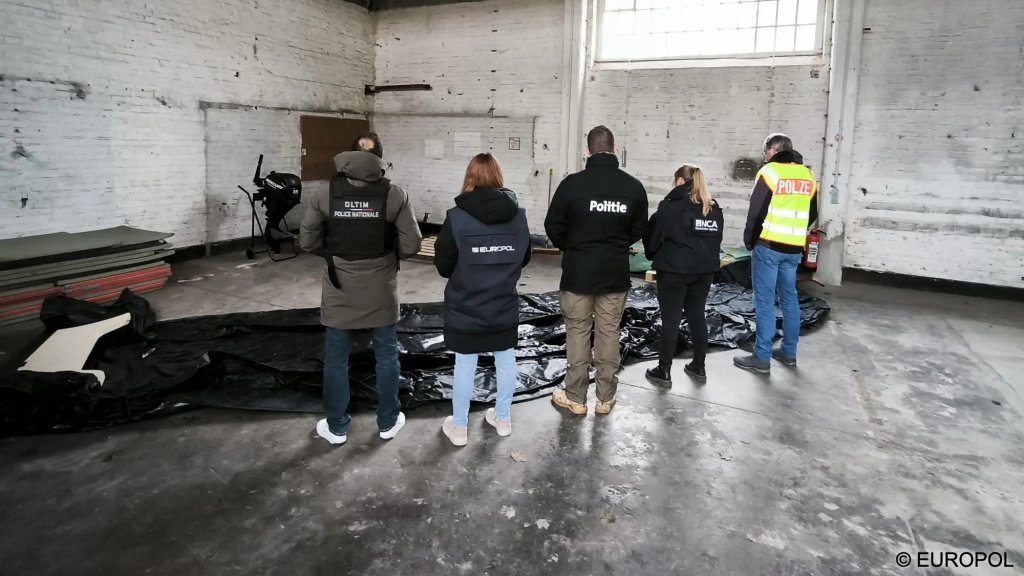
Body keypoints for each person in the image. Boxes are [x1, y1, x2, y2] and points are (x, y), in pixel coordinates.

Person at [300, 149, 422, 445]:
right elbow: (412, 245)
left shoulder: (324, 194)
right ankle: (388, 422)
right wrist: (388, 258)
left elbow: (307, 241)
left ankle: (337, 427)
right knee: (386, 355)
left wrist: (335, 256)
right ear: (378, 162)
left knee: (336, 359)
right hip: (381, 286)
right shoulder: (395, 195)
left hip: (339, 286)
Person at [544, 126, 649, 415]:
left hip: (578, 272)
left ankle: (576, 398)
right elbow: (639, 228)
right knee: (608, 332)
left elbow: (553, 225)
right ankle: (605, 398)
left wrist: (573, 246)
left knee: (577, 333)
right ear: (615, 149)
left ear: (587, 151)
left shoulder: (571, 185)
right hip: (614, 272)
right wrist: (615, 245)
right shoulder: (633, 187)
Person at [434, 153, 531, 446]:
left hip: (467, 304)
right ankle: (502, 419)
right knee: (506, 359)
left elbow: (443, 265)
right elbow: (525, 257)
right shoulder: (518, 216)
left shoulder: (456, 217)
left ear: (470, 178)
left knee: (465, 363)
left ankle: (459, 427)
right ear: (498, 176)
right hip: (502, 302)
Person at [734, 133, 818, 375]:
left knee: (765, 301)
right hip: (793, 249)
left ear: (773, 150)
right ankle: (789, 353)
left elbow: (756, 212)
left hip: (769, 247)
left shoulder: (770, 173)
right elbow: (812, 212)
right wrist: (794, 232)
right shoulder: (808, 175)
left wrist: (750, 240)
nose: (764, 156)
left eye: (765, 151)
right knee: (790, 299)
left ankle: (762, 357)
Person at [642, 164, 724, 387]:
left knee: (671, 319)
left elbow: (654, 237)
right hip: (704, 271)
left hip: (674, 271)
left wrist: (655, 255)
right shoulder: (713, 208)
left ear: (680, 181)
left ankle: (664, 371)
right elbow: (716, 241)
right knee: (697, 315)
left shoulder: (671, 206)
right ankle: (699, 366)